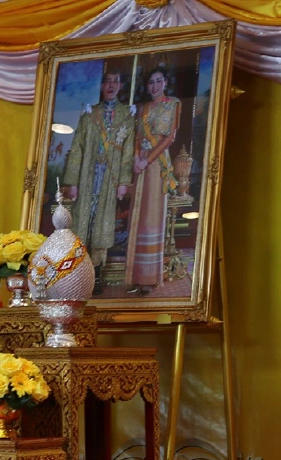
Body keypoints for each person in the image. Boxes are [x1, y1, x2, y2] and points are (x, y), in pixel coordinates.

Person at [61, 64, 136, 294]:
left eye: (115, 81)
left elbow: (128, 151)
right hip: (87, 175)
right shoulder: (89, 114)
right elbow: (77, 148)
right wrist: (73, 182)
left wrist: (123, 181)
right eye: (107, 81)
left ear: (120, 86)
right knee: (82, 220)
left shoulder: (127, 115)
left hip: (109, 179)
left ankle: (96, 273)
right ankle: (78, 272)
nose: (111, 85)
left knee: (102, 222)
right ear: (102, 86)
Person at [126, 66, 180, 296]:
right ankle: (135, 276)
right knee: (137, 218)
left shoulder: (173, 104)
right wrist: (137, 159)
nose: (155, 86)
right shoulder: (143, 108)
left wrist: (147, 160)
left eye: (158, 81)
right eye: (151, 82)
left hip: (157, 163)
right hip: (141, 164)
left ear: (165, 82)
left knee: (152, 216)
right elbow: (138, 137)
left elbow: (170, 138)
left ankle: (149, 277)